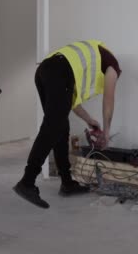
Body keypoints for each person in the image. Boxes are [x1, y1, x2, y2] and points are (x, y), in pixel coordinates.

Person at [13, 40, 121, 209]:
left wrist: (89, 120)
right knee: (53, 126)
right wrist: (106, 133)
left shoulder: (85, 62)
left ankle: (67, 183)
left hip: (43, 71)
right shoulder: (113, 66)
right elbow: (109, 100)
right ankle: (27, 181)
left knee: (60, 127)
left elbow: (71, 103)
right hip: (57, 71)